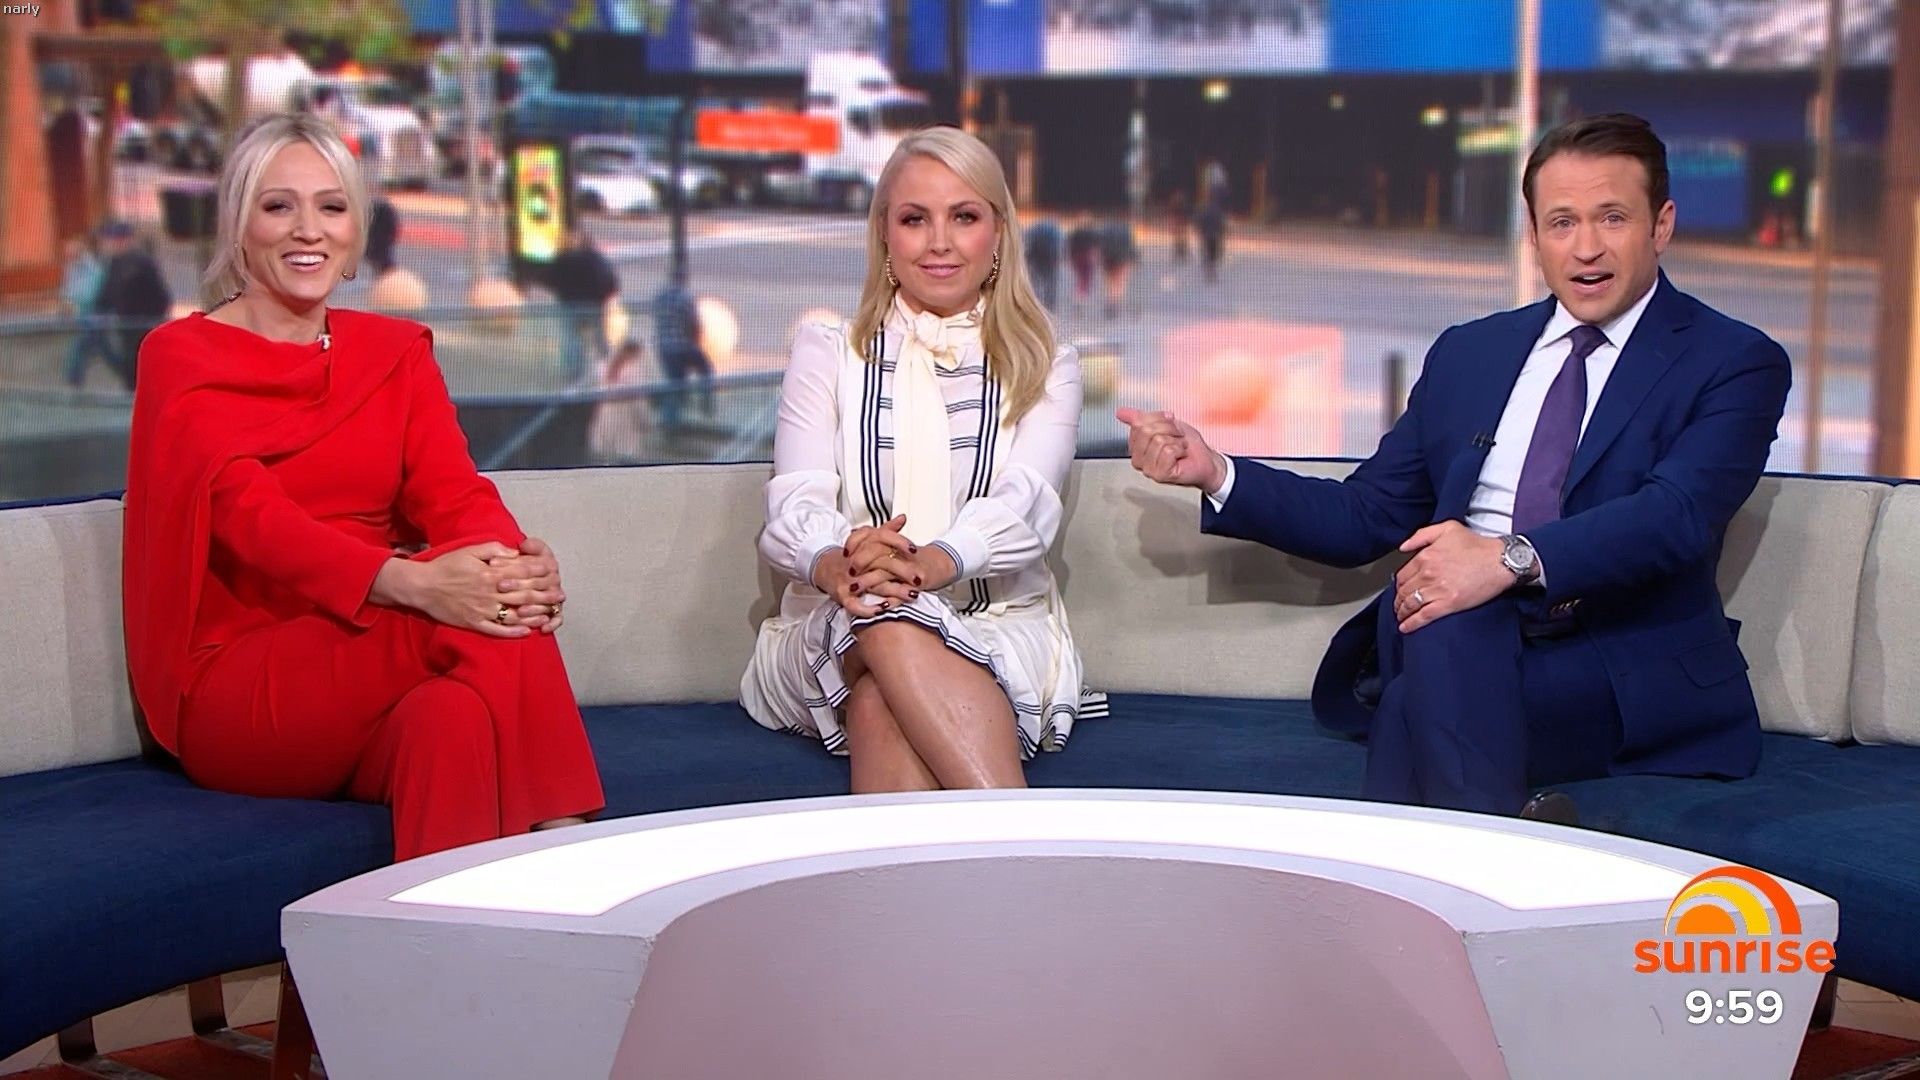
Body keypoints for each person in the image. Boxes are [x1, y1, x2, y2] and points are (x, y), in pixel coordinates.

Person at [1118, 114, 1791, 819]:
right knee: (1447, 621)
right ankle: (1504, 850)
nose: (1586, 247)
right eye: (1562, 223)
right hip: (1463, 636)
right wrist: (1216, 471)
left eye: (1612, 218)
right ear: (1534, 235)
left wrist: (1505, 560)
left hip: (1615, 664)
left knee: (1415, 691)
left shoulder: (1732, 360)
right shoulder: (1472, 352)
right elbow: (1366, 515)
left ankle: (1468, 856)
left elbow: (1675, 517)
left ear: (1661, 225)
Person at [121, 114, 604, 861]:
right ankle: (573, 852)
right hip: (240, 689)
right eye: (278, 206)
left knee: (452, 720)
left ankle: (444, 933)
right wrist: (415, 584)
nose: (307, 230)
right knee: (470, 618)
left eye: (332, 207)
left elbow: (455, 493)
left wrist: (509, 561)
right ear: (239, 225)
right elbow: (251, 519)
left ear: (355, 232)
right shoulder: (180, 356)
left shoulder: (392, 353)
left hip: (370, 670)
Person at [740, 126, 1105, 792]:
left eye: (963, 217)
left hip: (996, 626)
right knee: (881, 611)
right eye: (915, 219)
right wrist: (843, 566)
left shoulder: (1047, 362)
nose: (939, 241)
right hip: (836, 618)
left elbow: (1025, 508)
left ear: (998, 233)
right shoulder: (828, 351)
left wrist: (923, 566)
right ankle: (1026, 842)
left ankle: (979, 854)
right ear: (885, 234)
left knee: (881, 697)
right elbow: (796, 505)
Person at [94, 221, 172, 389]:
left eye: (114, 240)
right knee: (128, 364)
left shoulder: (141, 263)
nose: (110, 244)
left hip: (143, 326)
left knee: (142, 366)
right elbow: (109, 292)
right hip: (127, 326)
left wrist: (152, 319)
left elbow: (160, 295)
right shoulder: (115, 264)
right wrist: (100, 309)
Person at [547, 227, 621, 385]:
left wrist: (562, 293)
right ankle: (609, 369)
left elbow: (550, 279)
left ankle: (575, 374)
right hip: (594, 305)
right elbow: (609, 280)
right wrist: (607, 296)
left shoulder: (563, 259)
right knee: (601, 338)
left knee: (572, 339)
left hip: (569, 305)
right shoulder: (595, 258)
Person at [649, 270, 715, 427]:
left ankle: (671, 419)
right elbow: (694, 324)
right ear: (683, 279)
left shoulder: (660, 297)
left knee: (674, 382)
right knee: (705, 368)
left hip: (665, 349)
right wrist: (695, 341)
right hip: (683, 346)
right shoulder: (685, 298)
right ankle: (705, 400)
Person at [58, 231, 114, 389]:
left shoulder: (92, 268)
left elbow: (91, 292)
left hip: (95, 315)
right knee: (104, 349)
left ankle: (73, 381)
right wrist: (66, 301)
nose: (67, 256)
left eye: (70, 252)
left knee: (81, 346)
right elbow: (67, 288)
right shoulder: (72, 268)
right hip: (83, 315)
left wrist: (73, 301)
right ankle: (129, 373)